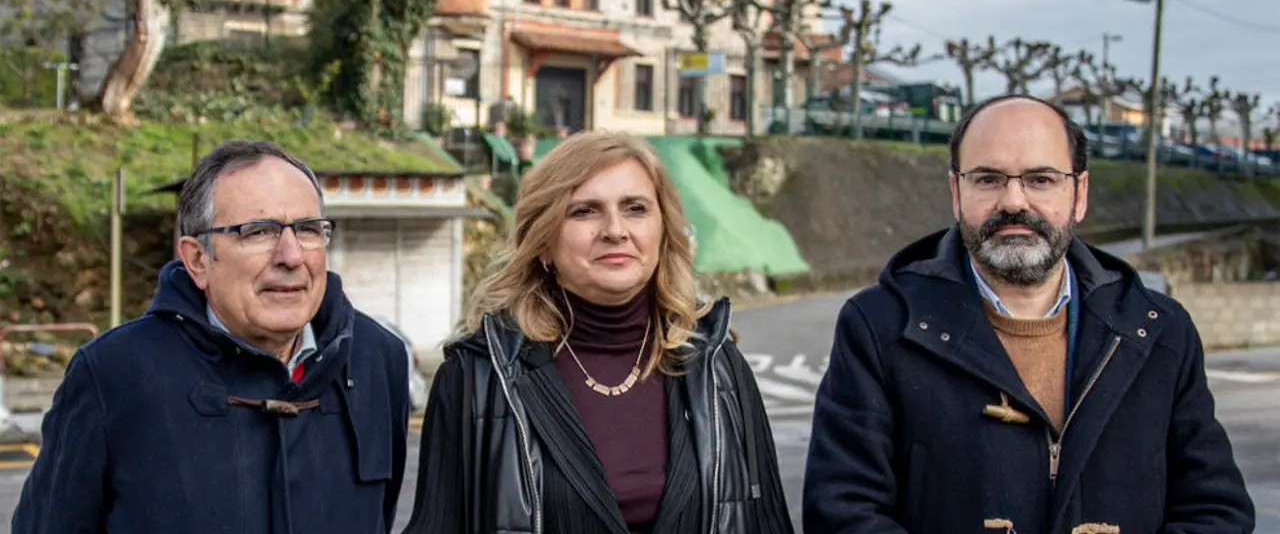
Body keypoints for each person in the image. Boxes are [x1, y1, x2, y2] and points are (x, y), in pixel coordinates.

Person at [803, 94, 1256, 533]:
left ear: (1079, 193)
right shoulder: (879, 327)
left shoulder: (1159, 332)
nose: (1014, 201)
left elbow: (1216, 510)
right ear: (956, 192)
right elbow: (843, 513)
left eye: (1040, 179)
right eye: (988, 179)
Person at [13, 140, 412, 533]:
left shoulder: (378, 359)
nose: (291, 256)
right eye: (258, 232)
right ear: (198, 260)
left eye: (308, 229)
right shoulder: (113, 374)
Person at [404, 130, 793, 534]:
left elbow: (766, 523)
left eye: (635, 208)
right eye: (585, 211)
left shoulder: (717, 364)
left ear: (663, 231)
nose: (615, 230)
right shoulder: (478, 376)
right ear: (544, 243)